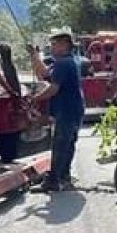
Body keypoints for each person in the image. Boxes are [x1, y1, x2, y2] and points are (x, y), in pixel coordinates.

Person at [27, 31, 85, 192]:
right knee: (68, 144)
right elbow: (44, 74)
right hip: (74, 109)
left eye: (54, 44)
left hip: (67, 110)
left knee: (60, 145)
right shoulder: (65, 62)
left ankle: (53, 181)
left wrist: (34, 99)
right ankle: (64, 177)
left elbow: (53, 88)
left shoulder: (63, 63)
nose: (51, 47)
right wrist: (34, 56)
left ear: (64, 44)